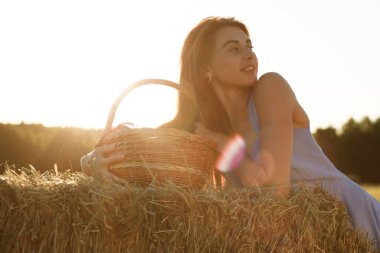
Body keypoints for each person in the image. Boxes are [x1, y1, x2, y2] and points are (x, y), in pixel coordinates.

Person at [81, 16, 380, 248]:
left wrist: (224, 145)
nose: (249, 54)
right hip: (289, 239)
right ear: (205, 69)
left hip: (347, 218)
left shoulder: (270, 87)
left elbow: (276, 192)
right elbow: (139, 143)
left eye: (249, 45)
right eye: (234, 48)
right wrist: (94, 160)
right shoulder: (200, 129)